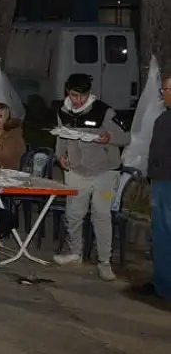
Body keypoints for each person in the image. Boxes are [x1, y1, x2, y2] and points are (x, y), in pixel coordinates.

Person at [53, 73, 130, 281]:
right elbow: (61, 135)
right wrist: (60, 155)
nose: (77, 100)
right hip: (77, 170)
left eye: (81, 96)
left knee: (101, 214)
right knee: (74, 213)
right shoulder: (63, 110)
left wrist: (108, 138)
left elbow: (125, 136)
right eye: (73, 95)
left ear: (88, 94)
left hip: (105, 171)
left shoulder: (104, 111)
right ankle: (74, 252)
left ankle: (104, 261)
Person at [147, 73, 171, 299]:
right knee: (161, 235)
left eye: (166, 90)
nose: (163, 94)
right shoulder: (164, 118)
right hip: (160, 181)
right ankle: (162, 284)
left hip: (168, 183)